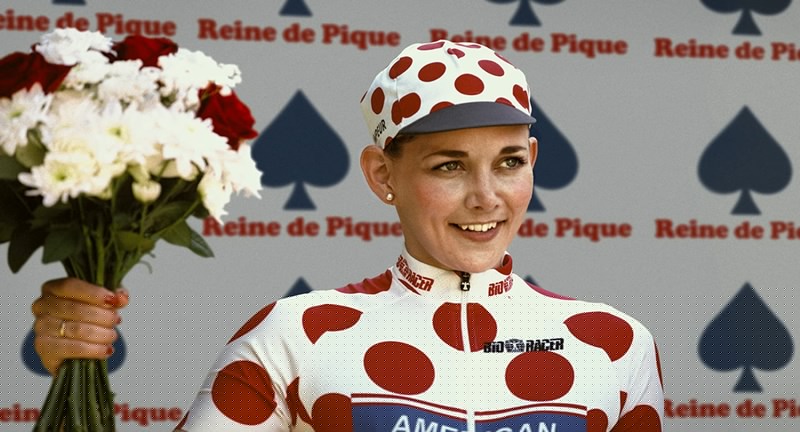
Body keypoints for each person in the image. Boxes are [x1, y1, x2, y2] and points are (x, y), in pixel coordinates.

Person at [30, 40, 664, 431]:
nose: (486, 196)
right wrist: (73, 373)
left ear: (533, 161)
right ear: (382, 175)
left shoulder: (614, 344)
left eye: (508, 162)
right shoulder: (295, 334)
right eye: (449, 166)